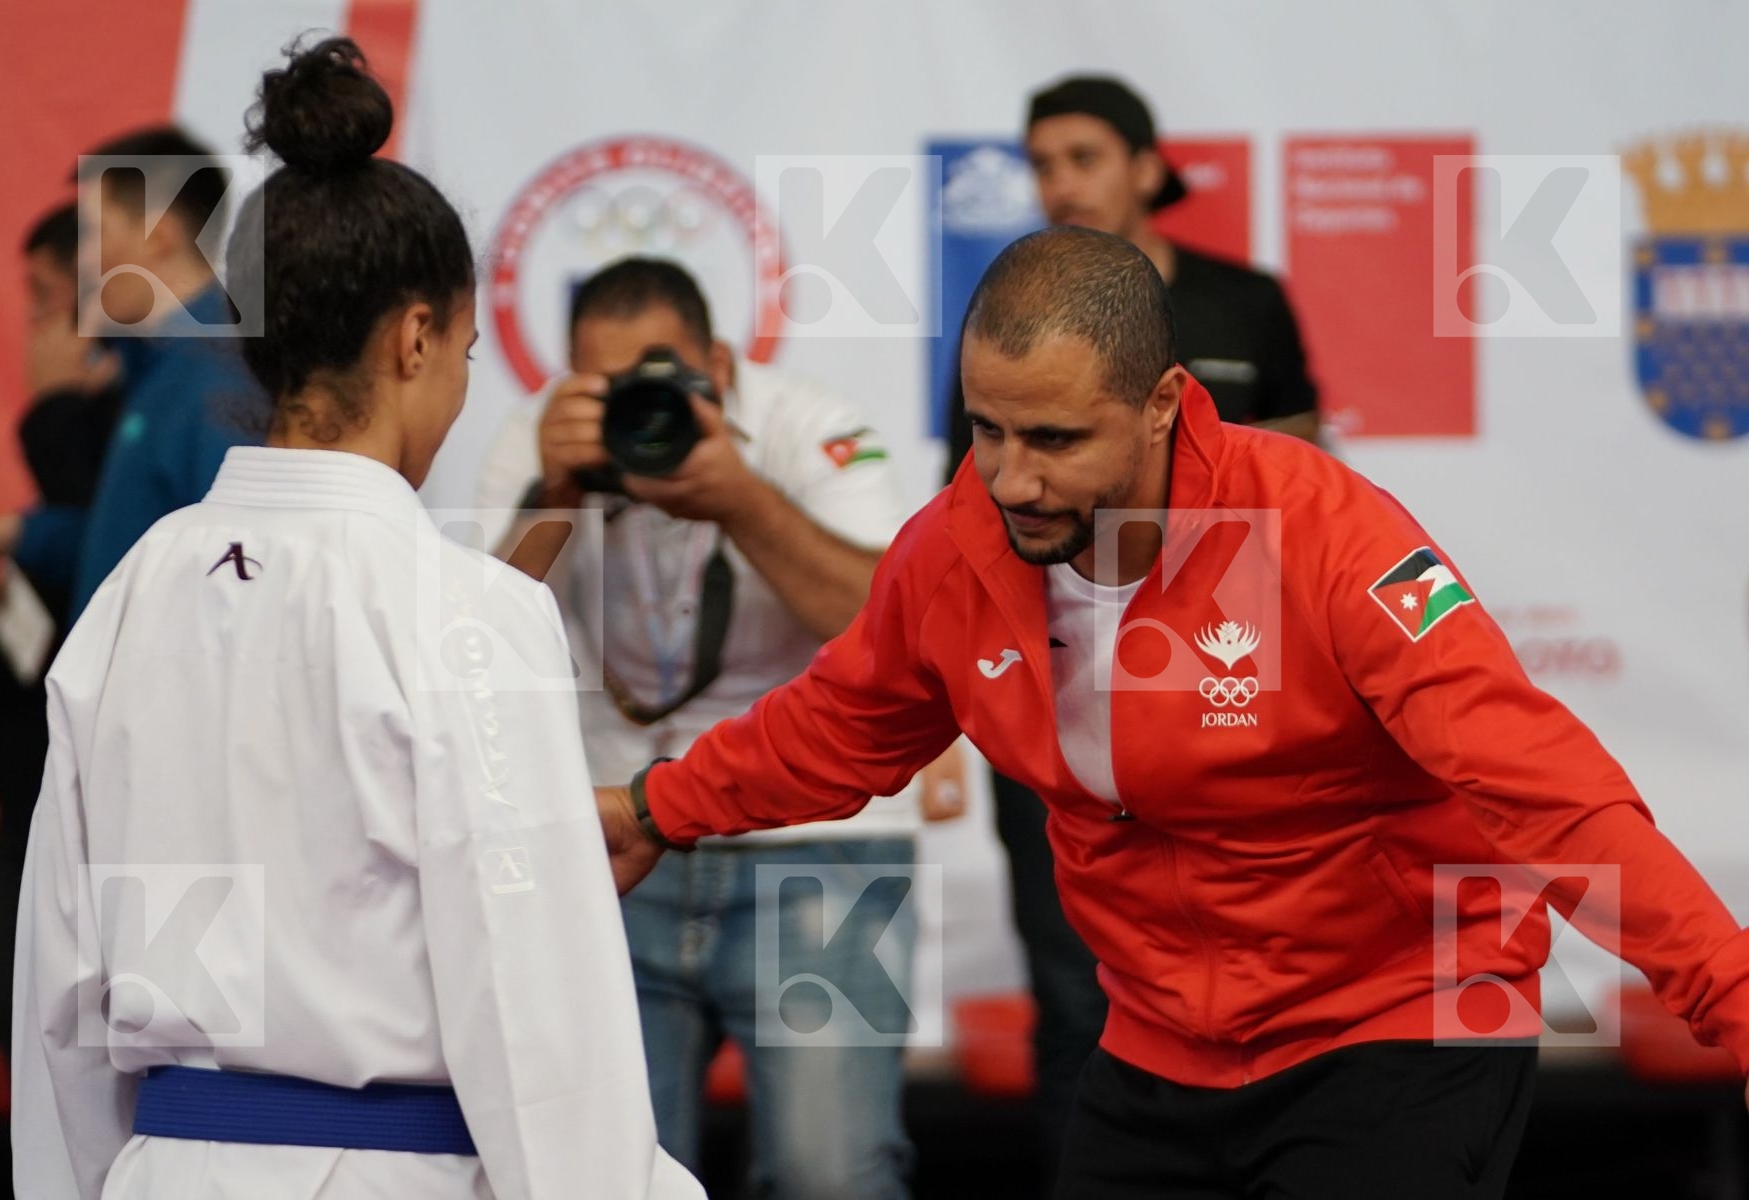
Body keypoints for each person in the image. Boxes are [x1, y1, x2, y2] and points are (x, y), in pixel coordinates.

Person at [600, 227, 1749, 1199]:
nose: (1011, 479)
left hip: (1404, 1017)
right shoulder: (958, 547)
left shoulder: (1323, 535)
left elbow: (1545, 789)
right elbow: (842, 724)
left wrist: (1732, 999)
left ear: (1160, 405)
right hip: (1164, 1043)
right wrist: (659, 808)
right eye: (988, 430)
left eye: (1054, 439)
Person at [11, 38, 700, 1200]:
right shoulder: (464, 609)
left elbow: (58, 988)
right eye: (469, 351)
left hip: (158, 1169)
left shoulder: (133, 591)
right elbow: (531, 1001)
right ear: (415, 336)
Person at [480, 255, 945, 1197]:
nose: (629, 406)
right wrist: (557, 496)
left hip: (816, 845)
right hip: (613, 840)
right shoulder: (541, 441)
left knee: (833, 1174)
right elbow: (477, 640)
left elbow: (886, 627)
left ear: (719, 368)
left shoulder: (807, 430)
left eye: (655, 378)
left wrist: (739, 497)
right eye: (600, 385)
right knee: (606, 1174)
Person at [939, 75, 1326, 1182]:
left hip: (1226, 696)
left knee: (1256, 992)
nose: (1061, 183)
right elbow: (965, 519)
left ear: (1151, 167)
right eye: (1042, 163)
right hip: (1059, 704)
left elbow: (1303, 488)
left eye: (1085, 156)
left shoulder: (1244, 301)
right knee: (1074, 1001)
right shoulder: (1006, 318)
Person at [0, 124, 259, 632]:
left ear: (159, 234)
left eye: (94, 232)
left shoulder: (223, 383)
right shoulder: (154, 371)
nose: (83, 262)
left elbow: (235, 584)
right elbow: (131, 543)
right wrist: (20, 534)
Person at [0, 201, 123, 1065]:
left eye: (43, 300)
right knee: (16, 1011)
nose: (29, 328)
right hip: (27, 795)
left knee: (53, 1024)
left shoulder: (146, 415)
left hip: (73, 803)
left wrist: (62, 400)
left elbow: (106, 542)